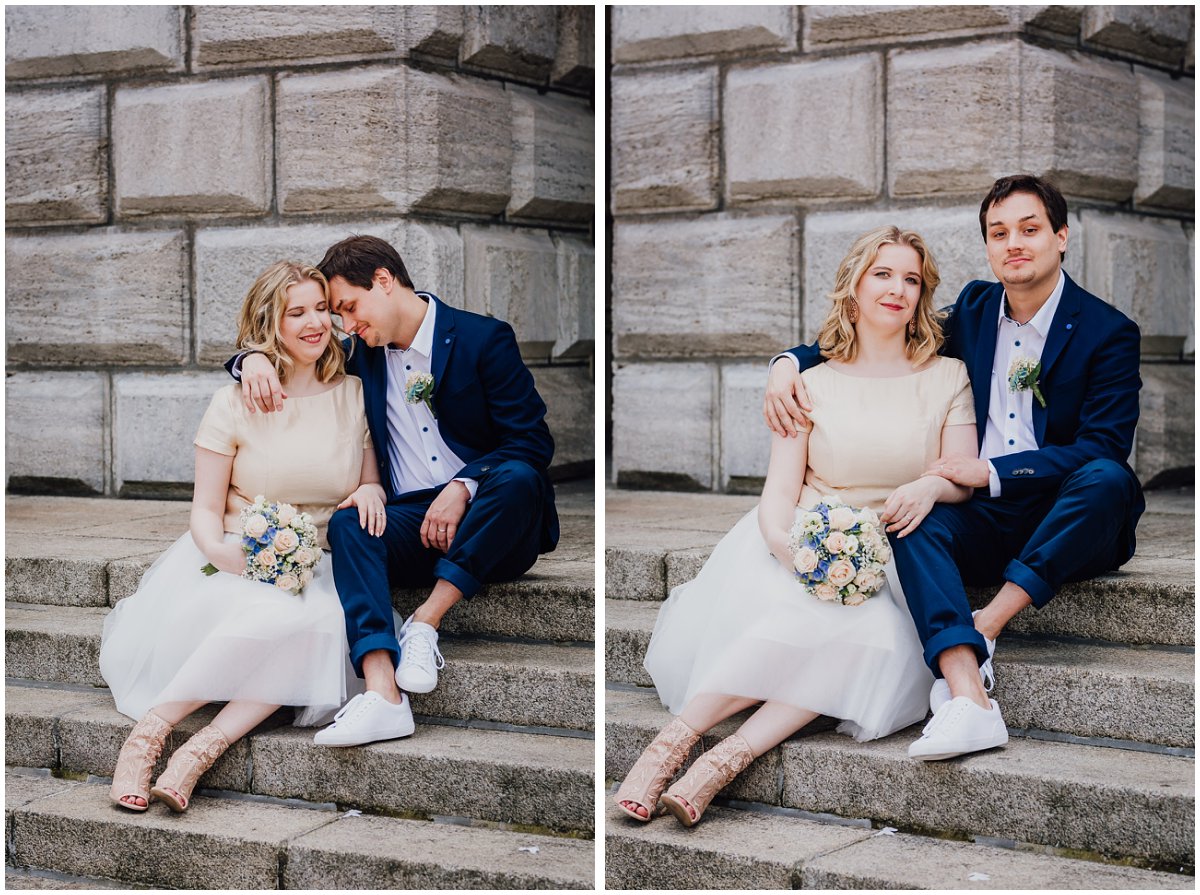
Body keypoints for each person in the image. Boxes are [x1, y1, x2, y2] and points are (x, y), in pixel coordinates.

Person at [764, 174, 1144, 761]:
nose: (1013, 243)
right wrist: (788, 361)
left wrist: (990, 472)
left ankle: (986, 625)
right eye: (999, 233)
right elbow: (887, 323)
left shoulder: (1108, 332)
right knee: (910, 515)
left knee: (1108, 479)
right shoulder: (973, 307)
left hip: (1068, 515)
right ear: (988, 245)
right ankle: (968, 698)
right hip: (985, 518)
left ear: (1061, 236)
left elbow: (1104, 446)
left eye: (1029, 229)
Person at [616, 226, 980, 828]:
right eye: (882, 275)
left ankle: (723, 763)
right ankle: (671, 746)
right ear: (854, 287)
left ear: (923, 295)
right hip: (801, 536)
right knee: (798, 618)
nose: (897, 289)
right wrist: (793, 553)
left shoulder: (949, 376)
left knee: (873, 640)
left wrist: (932, 486)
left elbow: (960, 474)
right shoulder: (807, 382)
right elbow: (778, 493)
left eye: (911, 279)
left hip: (895, 548)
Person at [233, 235, 557, 747]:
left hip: (491, 519)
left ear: (384, 281)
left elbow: (533, 441)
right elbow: (295, 352)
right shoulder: (360, 352)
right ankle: (384, 694)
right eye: (339, 317)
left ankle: (425, 624)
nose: (344, 325)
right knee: (348, 522)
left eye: (347, 308)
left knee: (520, 477)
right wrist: (249, 359)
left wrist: (464, 484)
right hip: (410, 522)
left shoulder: (483, 339)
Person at [100, 261, 386, 813]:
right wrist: (220, 553)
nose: (315, 323)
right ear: (269, 323)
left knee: (321, 622)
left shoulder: (352, 392)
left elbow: (368, 480)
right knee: (279, 618)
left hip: (321, 560)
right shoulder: (233, 401)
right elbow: (204, 510)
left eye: (321, 308)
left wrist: (372, 491)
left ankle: (199, 752)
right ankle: (147, 738)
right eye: (295, 312)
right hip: (236, 551)